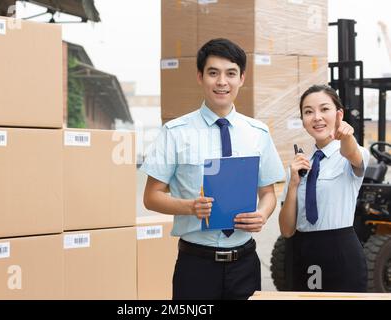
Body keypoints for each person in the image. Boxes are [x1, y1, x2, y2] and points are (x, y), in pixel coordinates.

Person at [140, 38, 285, 300]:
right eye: (213, 73)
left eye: (230, 73)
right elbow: (151, 197)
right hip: (196, 266)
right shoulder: (175, 133)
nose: (222, 82)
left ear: (242, 78)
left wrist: (262, 214)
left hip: (245, 264)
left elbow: (268, 193)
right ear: (200, 77)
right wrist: (190, 207)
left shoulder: (258, 133)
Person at [279, 84, 370, 292]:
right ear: (303, 120)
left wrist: (346, 136)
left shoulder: (353, 155)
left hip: (340, 252)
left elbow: (351, 153)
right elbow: (286, 229)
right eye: (308, 112)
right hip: (301, 252)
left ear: (339, 114)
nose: (317, 117)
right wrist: (293, 184)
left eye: (324, 109)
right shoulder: (298, 165)